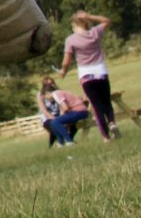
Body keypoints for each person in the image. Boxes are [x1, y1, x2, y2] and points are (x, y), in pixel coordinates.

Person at [58, 10, 120, 140]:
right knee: (106, 102)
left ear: (74, 26)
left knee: (97, 107)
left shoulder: (71, 39)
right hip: (101, 72)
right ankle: (112, 123)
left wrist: (63, 71)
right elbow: (107, 20)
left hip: (86, 76)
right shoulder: (95, 32)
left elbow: (66, 61)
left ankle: (106, 137)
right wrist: (90, 16)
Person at [37, 76, 89, 147]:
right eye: (48, 84)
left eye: (52, 83)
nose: (51, 85)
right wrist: (57, 118)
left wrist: (60, 117)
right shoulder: (41, 95)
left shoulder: (56, 93)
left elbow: (64, 108)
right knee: (54, 123)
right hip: (48, 117)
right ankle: (59, 143)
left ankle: (69, 141)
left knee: (57, 123)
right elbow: (44, 111)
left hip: (76, 111)